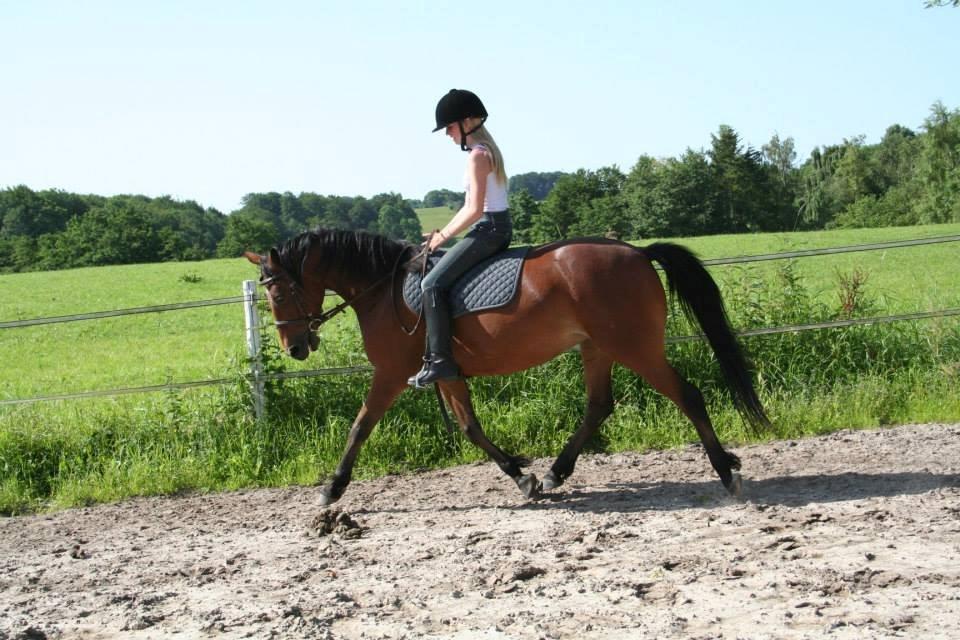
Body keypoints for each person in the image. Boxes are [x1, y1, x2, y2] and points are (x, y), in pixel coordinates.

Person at [408, 89, 513, 389]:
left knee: (431, 284)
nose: (447, 134)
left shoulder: (479, 155)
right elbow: (469, 207)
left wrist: (442, 238)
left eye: (450, 127)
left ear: (468, 122)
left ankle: (441, 360)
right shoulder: (485, 151)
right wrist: (440, 234)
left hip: (489, 230)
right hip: (493, 227)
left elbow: (474, 209)